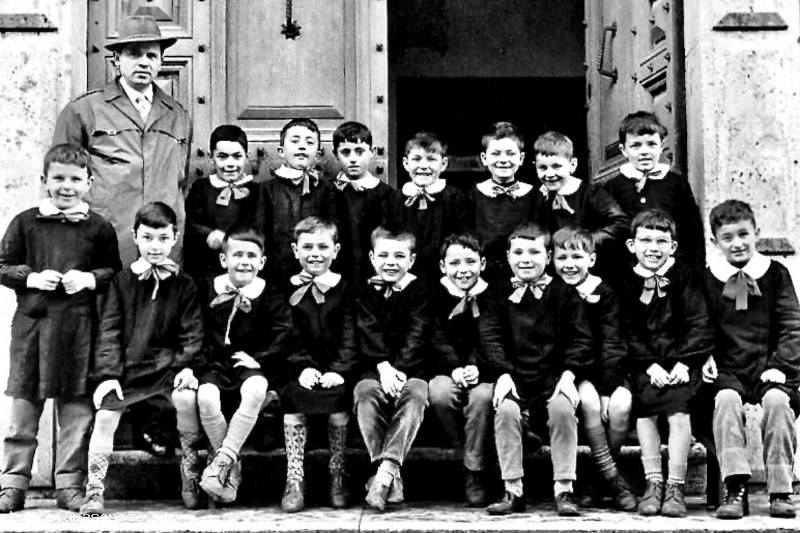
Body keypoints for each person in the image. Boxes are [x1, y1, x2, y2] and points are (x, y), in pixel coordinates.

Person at [0, 144, 121, 513]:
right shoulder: (25, 222)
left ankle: (69, 485)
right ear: (45, 180)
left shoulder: (98, 227)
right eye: (58, 178)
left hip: (77, 330)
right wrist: (31, 278)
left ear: (89, 182)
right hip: (33, 329)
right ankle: (13, 483)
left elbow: (111, 271)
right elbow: (2, 266)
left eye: (75, 179)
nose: (66, 186)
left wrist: (87, 279)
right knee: (23, 410)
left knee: (75, 412)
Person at [79, 202, 204, 515]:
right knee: (105, 415)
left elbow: (192, 332)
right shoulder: (121, 282)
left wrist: (186, 365)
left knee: (187, 399)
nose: (155, 246)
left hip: (167, 369)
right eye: (147, 238)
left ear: (175, 237)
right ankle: (94, 490)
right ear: (135, 237)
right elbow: (109, 331)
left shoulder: (184, 284)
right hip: (128, 371)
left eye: (163, 238)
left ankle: (190, 477)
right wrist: (108, 375)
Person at [52, 14, 191, 267]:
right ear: (117, 58)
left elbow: (180, 182)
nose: (144, 62)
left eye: (151, 56)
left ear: (161, 61)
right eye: (134, 54)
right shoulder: (84, 110)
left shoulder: (178, 116)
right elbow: (60, 179)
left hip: (161, 247)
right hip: (106, 243)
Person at [480, 223, 593, 516]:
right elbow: (490, 336)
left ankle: (564, 489)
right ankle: (513, 489)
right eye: (518, 252)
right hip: (514, 376)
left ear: (548, 256)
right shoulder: (496, 294)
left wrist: (568, 375)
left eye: (534, 252)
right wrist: (503, 373)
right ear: (508, 256)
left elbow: (580, 339)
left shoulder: (565, 294)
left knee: (563, 410)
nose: (526, 259)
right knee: (506, 411)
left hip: (553, 376)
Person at [702, 200, 799, 519]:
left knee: (777, 402)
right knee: (726, 401)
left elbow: (792, 324)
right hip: (728, 369)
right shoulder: (708, 279)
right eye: (727, 237)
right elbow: (700, 324)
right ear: (715, 241)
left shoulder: (776, 274)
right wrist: (705, 355)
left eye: (743, 234)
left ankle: (781, 490)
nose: (737, 243)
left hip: (769, 368)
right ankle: (735, 488)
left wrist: (781, 366)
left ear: (756, 232)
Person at [616, 209, 714, 517]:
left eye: (661, 241)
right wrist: (649, 366)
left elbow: (699, 323)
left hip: (683, 364)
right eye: (645, 240)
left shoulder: (686, 277)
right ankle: (653, 482)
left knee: (679, 410)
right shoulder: (625, 282)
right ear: (632, 245)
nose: (653, 248)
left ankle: (675, 486)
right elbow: (625, 331)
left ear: (672, 246)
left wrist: (684, 362)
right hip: (644, 366)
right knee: (645, 409)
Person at [196, 225, 299, 505]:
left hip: (249, 362)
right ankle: (232, 465)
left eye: (252, 256)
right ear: (223, 259)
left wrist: (261, 358)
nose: (244, 262)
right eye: (237, 255)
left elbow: (284, 331)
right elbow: (196, 329)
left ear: (262, 262)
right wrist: (200, 362)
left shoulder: (268, 292)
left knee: (256, 388)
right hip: (214, 362)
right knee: (206, 396)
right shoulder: (208, 288)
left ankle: (221, 462)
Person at [551, 227, 635, 511]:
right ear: (552, 260)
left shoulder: (604, 292)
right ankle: (612, 478)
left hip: (607, 370)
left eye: (577, 257)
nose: (569, 264)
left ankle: (597, 480)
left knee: (621, 405)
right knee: (587, 400)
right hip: (573, 372)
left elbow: (613, 342)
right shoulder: (553, 292)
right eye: (562, 257)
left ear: (592, 259)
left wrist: (609, 388)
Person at [280, 217, 357, 512]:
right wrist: (302, 367)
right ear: (295, 250)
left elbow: (350, 335)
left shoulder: (345, 289)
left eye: (323, 247)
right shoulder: (285, 288)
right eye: (307, 247)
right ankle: (294, 477)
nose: (315, 254)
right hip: (299, 370)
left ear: (335, 250)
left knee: (338, 398)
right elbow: (287, 334)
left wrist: (339, 370)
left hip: (336, 370)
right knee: (295, 396)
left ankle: (337, 472)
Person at [353, 226, 432, 511]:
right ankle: (388, 474)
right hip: (374, 366)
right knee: (365, 392)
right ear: (372, 258)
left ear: (412, 260)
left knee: (417, 393)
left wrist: (399, 369)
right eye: (383, 255)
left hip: (411, 368)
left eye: (399, 256)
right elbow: (367, 329)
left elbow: (417, 332)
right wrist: (384, 367)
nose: (390, 262)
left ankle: (385, 471)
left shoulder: (420, 290)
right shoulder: (364, 290)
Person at [427, 233, 494, 507]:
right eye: (454, 263)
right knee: (439, 392)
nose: (463, 270)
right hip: (447, 368)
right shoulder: (434, 295)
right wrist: (454, 368)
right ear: (442, 266)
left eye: (470, 262)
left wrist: (477, 367)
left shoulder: (493, 295)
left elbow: (492, 336)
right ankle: (470, 456)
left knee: (482, 398)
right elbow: (435, 337)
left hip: (484, 370)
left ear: (483, 264)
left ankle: (473, 472)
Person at [602, 111, 704, 272]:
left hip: (673, 270)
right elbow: (610, 232)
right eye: (636, 146)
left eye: (651, 144)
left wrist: (694, 271)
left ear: (662, 146)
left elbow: (692, 229)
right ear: (623, 150)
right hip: (628, 272)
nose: (644, 151)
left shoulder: (676, 183)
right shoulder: (613, 187)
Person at [533, 132, 628, 278]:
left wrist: (586, 242)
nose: (549, 174)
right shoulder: (539, 199)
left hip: (589, 270)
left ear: (572, 165)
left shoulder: (591, 194)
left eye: (556, 166)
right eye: (543, 168)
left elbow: (620, 223)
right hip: (556, 272)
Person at [261, 118, 339, 284]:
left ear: (317, 153)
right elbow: (259, 234)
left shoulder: (326, 189)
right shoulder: (265, 190)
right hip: (276, 272)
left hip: (317, 271)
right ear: (281, 151)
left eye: (309, 142)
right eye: (295, 141)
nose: (302, 146)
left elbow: (333, 231)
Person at [184, 125, 264, 281]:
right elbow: (191, 223)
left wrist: (237, 242)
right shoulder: (201, 188)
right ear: (211, 157)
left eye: (237, 156)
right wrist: (209, 234)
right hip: (208, 265)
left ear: (247, 156)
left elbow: (260, 225)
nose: (230, 163)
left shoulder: (256, 191)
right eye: (222, 157)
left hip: (244, 264)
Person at [386, 132, 469, 281]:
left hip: (442, 274)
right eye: (416, 159)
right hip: (404, 275)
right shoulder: (394, 199)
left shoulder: (454, 197)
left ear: (443, 164)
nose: (423, 166)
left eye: (431, 159)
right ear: (405, 163)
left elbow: (460, 237)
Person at [467, 122, 539, 282]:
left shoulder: (534, 196)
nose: (503, 160)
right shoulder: (473, 195)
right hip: (484, 274)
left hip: (523, 271)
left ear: (521, 158)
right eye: (496, 154)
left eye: (510, 154)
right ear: (484, 159)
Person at [331, 121, 395, 283]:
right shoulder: (329, 192)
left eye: (360, 151)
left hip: (374, 274)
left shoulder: (386, 195)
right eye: (346, 152)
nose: (353, 159)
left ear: (371, 152)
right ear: (335, 154)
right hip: (337, 274)